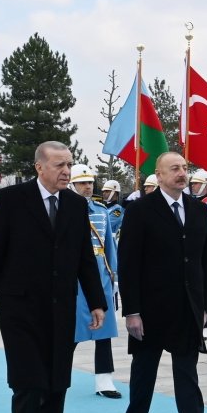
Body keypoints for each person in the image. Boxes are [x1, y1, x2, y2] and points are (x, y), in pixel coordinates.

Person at [0, 141, 107, 413]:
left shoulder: (77, 205)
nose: (66, 171)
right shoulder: (13, 200)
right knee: (29, 384)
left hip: (62, 310)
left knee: (58, 384)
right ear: (39, 167)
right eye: (60, 165)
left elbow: (84, 258)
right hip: (21, 309)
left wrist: (97, 301)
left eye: (69, 165)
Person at [117, 152, 207, 413]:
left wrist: (204, 306)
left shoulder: (198, 210)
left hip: (187, 308)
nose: (181, 173)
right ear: (159, 176)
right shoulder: (140, 211)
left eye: (184, 168)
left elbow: (203, 263)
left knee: (187, 376)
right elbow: (128, 264)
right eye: (174, 168)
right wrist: (132, 310)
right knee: (144, 370)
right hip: (150, 309)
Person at [69, 164, 122, 399]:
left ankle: (104, 380)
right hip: (73, 276)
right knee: (70, 329)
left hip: (100, 274)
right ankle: (57, 375)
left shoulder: (101, 211)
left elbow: (109, 245)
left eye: (90, 182)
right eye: (82, 182)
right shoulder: (63, 209)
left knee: (104, 329)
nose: (88, 186)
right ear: (72, 185)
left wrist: (114, 276)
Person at [189, 169, 207, 340]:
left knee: (202, 287)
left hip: (201, 250)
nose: (193, 185)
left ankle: (205, 325)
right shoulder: (188, 201)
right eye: (192, 183)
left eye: (197, 183)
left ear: (206, 185)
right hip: (189, 250)